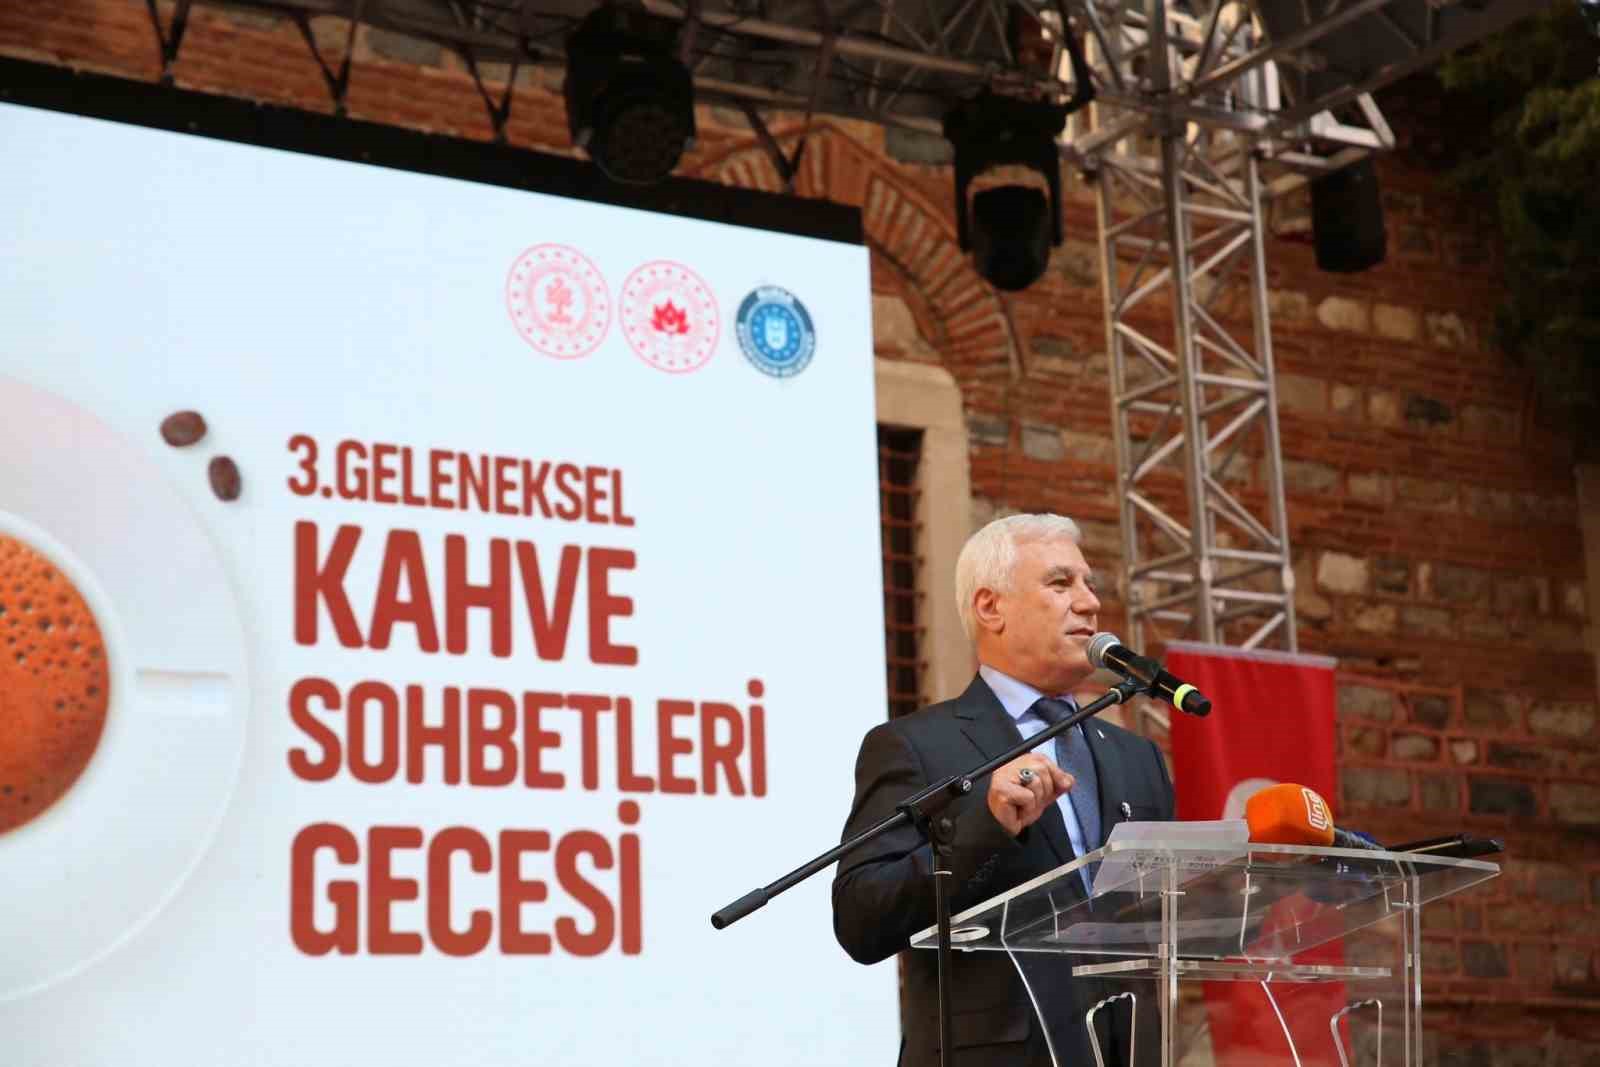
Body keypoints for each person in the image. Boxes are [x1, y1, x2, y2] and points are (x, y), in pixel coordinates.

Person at [832, 514, 1174, 1067]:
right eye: (1061, 583)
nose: (1090, 603)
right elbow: (861, 920)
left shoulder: (1137, 758)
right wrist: (984, 828)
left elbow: (1174, 916)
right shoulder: (915, 746)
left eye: (1089, 585)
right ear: (991, 608)